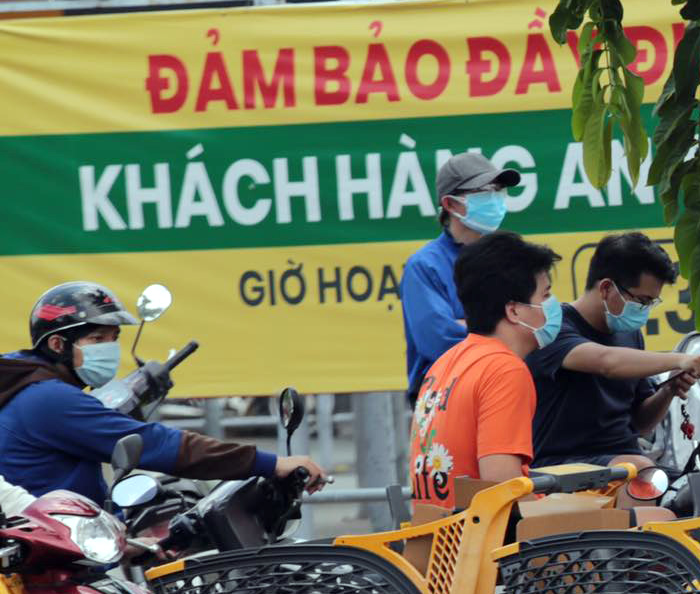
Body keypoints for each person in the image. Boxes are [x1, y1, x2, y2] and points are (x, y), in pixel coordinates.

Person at [0, 282, 326, 501]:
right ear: (58, 345)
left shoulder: (36, 388)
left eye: (113, 339)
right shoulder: (48, 400)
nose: (109, 349)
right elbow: (157, 445)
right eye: (97, 340)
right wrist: (270, 463)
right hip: (42, 573)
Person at [529, 232, 700, 468]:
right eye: (641, 301)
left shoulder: (629, 334)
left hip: (624, 463)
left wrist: (669, 390)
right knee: (641, 472)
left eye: (652, 302)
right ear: (607, 288)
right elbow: (607, 363)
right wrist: (682, 360)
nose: (645, 310)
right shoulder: (553, 329)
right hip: (563, 467)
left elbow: (640, 425)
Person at [408, 232, 561, 508]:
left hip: (441, 538)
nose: (554, 306)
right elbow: (501, 485)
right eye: (545, 295)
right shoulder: (504, 370)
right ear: (514, 311)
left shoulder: (445, 363)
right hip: (487, 543)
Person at [402, 152, 522, 402]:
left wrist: (469, 325)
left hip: (506, 388)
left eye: (498, 190)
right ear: (450, 204)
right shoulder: (424, 266)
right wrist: (508, 328)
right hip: (446, 398)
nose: (495, 198)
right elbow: (439, 340)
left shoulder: (512, 257)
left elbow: (538, 323)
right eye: (483, 192)